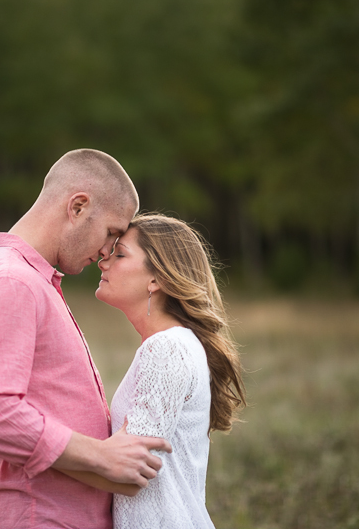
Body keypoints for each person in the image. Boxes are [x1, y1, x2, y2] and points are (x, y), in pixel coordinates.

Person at [0, 149, 171, 529]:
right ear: (78, 207)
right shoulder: (9, 281)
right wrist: (101, 456)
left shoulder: (32, 282)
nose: (107, 251)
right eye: (112, 232)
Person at [95, 213, 247, 529]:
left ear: (156, 280)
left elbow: (130, 474)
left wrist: (35, 453)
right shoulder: (172, 344)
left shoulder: (167, 349)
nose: (103, 262)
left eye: (120, 254)